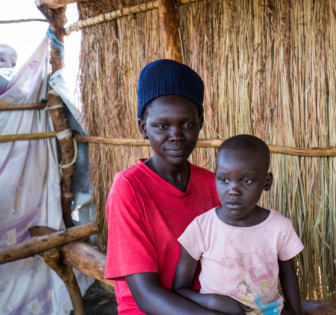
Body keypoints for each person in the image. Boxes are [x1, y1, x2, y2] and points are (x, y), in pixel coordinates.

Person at [104, 59, 223, 314]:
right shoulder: (129, 189)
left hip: (205, 305)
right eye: (162, 126)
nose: (176, 135)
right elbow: (146, 296)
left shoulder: (213, 185)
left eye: (187, 124)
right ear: (143, 128)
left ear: (200, 124)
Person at [173, 135, 304, 315]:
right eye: (224, 180)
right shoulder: (202, 228)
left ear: (266, 182)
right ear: (216, 177)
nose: (233, 190)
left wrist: (296, 312)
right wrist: (212, 301)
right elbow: (180, 288)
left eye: (246, 180)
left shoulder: (279, 227)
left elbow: (288, 274)